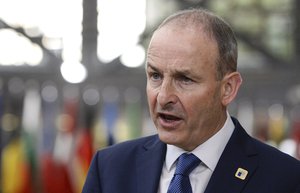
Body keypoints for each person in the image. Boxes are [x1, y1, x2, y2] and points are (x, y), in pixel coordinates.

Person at [82, 8, 300, 193]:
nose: (164, 96)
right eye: (155, 76)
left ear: (228, 89)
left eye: (184, 79)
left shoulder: (287, 179)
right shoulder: (109, 169)